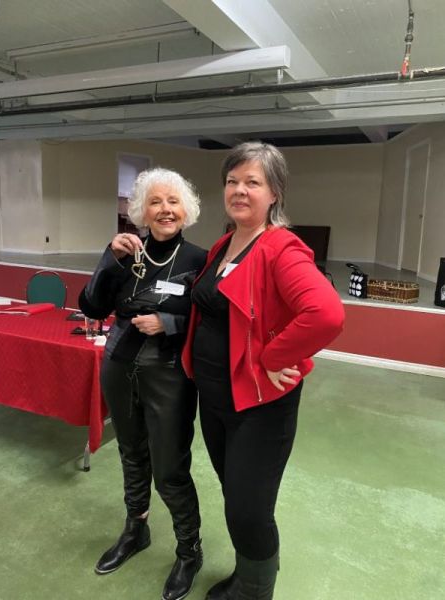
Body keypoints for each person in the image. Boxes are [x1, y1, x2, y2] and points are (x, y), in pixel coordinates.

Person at [182, 142, 345, 600]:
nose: (239, 190)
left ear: (274, 193)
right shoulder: (224, 243)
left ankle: (255, 590)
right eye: (232, 181)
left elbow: (326, 314)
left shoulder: (280, 248)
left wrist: (273, 357)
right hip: (217, 398)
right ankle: (249, 572)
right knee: (237, 497)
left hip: (260, 406)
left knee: (249, 509)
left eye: (252, 182)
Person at [79, 167, 207, 600]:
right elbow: (91, 306)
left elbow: (212, 321)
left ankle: (189, 551)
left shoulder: (200, 260)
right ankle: (136, 530)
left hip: (168, 374)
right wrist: (107, 259)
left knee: (170, 467)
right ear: (141, 211)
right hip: (118, 365)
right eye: (155, 202)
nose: (165, 209)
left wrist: (169, 322)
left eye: (173, 201)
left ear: (186, 210)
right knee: (132, 455)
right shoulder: (126, 252)